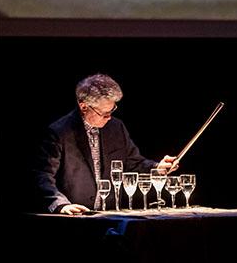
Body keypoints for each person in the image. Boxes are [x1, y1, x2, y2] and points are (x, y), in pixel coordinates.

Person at [33, 73, 178, 214]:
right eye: (104, 113)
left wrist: (157, 168)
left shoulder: (117, 128)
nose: (109, 117)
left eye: (112, 110)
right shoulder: (59, 132)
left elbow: (133, 162)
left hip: (108, 215)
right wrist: (60, 204)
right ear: (84, 106)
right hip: (75, 218)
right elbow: (43, 175)